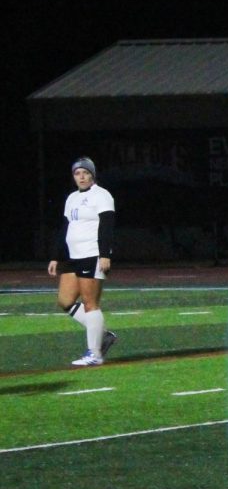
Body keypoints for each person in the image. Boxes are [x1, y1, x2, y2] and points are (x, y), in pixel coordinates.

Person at [48, 157, 117, 367]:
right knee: (65, 301)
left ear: (92, 174)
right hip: (72, 255)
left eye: (85, 173)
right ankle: (102, 335)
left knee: (90, 303)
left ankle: (94, 353)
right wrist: (55, 256)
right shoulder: (71, 198)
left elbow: (107, 226)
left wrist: (105, 254)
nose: (82, 177)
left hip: (92, 253)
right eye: (77, 173)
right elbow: (65, 228)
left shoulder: (102, 195)